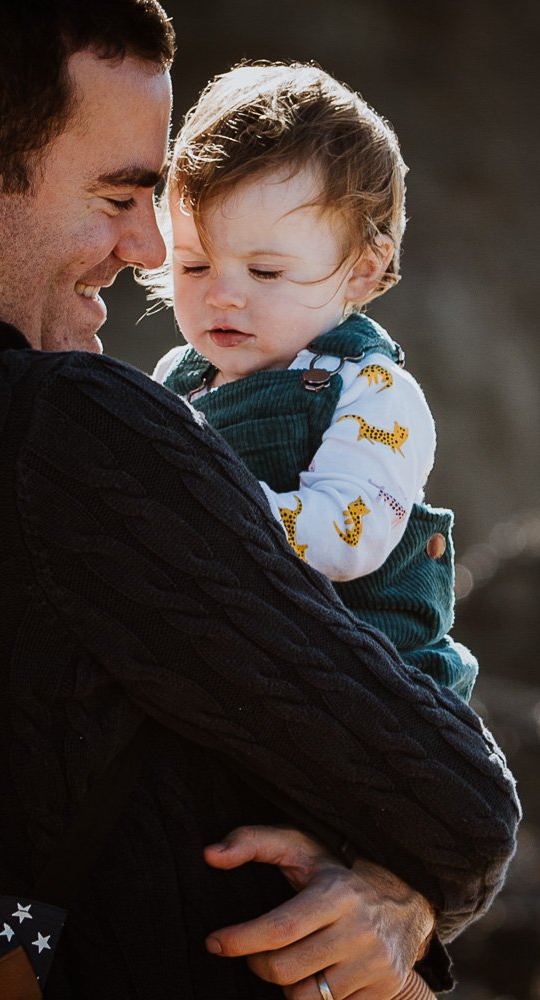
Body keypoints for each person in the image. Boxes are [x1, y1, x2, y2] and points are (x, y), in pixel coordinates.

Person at [0, 1, 519, 997]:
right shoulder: (60, 434)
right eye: (120, 194)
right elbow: (457, 799)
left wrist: (401, 885)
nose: (152, 249)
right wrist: (402, 881)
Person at [152, 63, 477, 700]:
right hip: (245, 660)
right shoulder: (177, 381)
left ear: (359, 270)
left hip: (376, 683)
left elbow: (345, 534)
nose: (222, 295)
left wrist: (195, 513)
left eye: (265, 273)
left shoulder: (373, 393)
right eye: (193, 265)